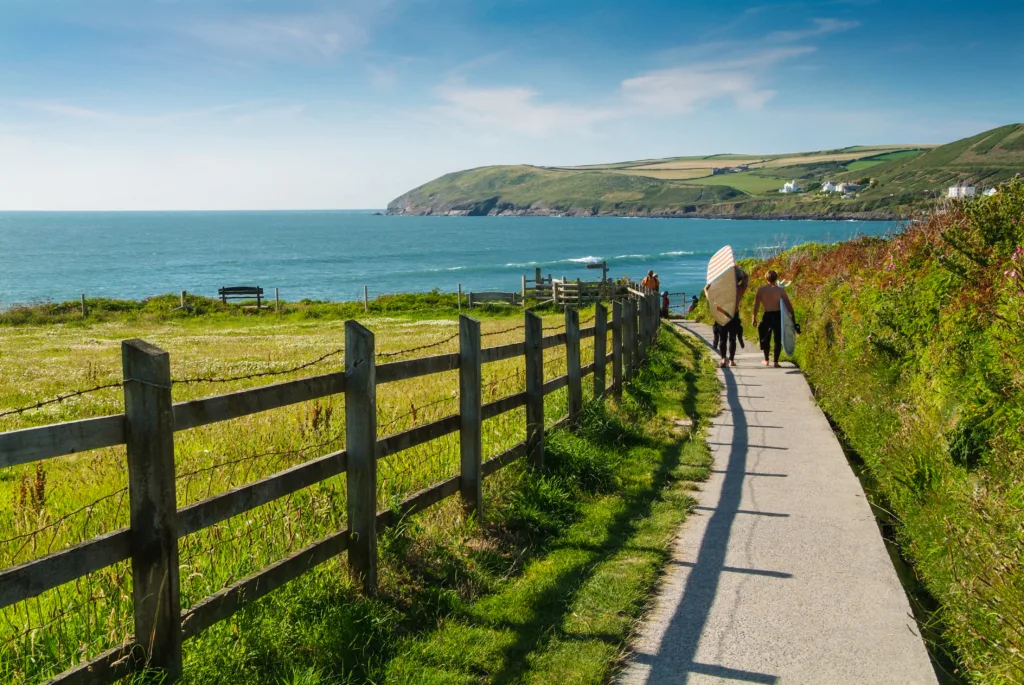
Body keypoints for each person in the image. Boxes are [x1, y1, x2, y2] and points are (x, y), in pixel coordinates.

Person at [752, 269, 794, 368]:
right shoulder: (780, 290)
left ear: (766, 278)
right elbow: (788, 305)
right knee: (777, 338)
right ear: (776, 278)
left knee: (765, 337)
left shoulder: (761, 290)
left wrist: (754, 317)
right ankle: (775, 362)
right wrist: (792, 316)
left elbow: (756, 305)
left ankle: (766, 360)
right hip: (777, 315)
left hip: (767, 315)